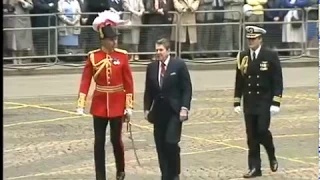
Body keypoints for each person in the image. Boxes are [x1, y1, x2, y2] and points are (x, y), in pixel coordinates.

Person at [75, 10, 134, 180]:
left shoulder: (122, 56)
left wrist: (129, 106)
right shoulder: (93, 57)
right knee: (99, 143)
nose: (115, 42)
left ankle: (120, 170)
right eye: (111, 39)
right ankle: (100, 176)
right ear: (103, 39)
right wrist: (81, 103)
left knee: (117, 141)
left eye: (115, 39)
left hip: (117, 104)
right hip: (100, 105)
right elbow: (85, 81)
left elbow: (129, 83)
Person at [233, 25, 283, 178]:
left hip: (264, 100)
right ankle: (255, 167)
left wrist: (276, 101)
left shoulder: (270, 55)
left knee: (262, 131)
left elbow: (277, 80)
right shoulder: (243, 56)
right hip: (249, 101)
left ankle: (271, 153)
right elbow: (239, 80)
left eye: (253, 39)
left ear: (260, 39)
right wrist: (236, 101)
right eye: (249, 39)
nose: (251, 41)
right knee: (251, 136)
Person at [143, 38, 192, 180]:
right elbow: (149, 90)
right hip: (159, 112)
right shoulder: (151, 67)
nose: (158, 53)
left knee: (171, 142)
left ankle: (174, 173)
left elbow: (186, 88)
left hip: (175, 112)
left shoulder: (179, 65)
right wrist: (147, 109)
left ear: (168, 51)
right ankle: (165, 174)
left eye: (161, 50)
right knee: (160, 144)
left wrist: (184, 108)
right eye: (157, 50)